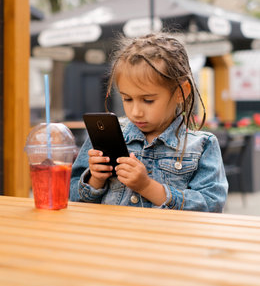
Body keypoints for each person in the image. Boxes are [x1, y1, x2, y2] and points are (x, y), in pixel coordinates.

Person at [70, 33, 228, 212]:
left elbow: (211, 206)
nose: (135, 112)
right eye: (127, 99)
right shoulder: (104, 137)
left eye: (148, 100)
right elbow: (73, 199)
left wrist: (147, 187)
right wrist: (95, 180)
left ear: (180, 92)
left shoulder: (202, 146)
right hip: (113, 238)